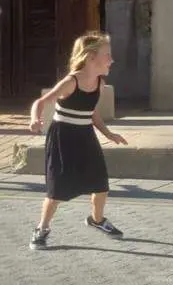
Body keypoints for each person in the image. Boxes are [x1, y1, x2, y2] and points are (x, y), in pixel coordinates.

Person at [27, 31, 128, 250]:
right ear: (91, 57)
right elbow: (41, 102)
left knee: (100, 184)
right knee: (57, 190)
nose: (111, 60)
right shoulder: (71, 82)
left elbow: (92, 113)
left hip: (85, 136)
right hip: (63, 137)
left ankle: (97, 220)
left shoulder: (99, 83)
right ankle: (42, 229)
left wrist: (109, 134)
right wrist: (35, 120)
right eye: (107, 55)